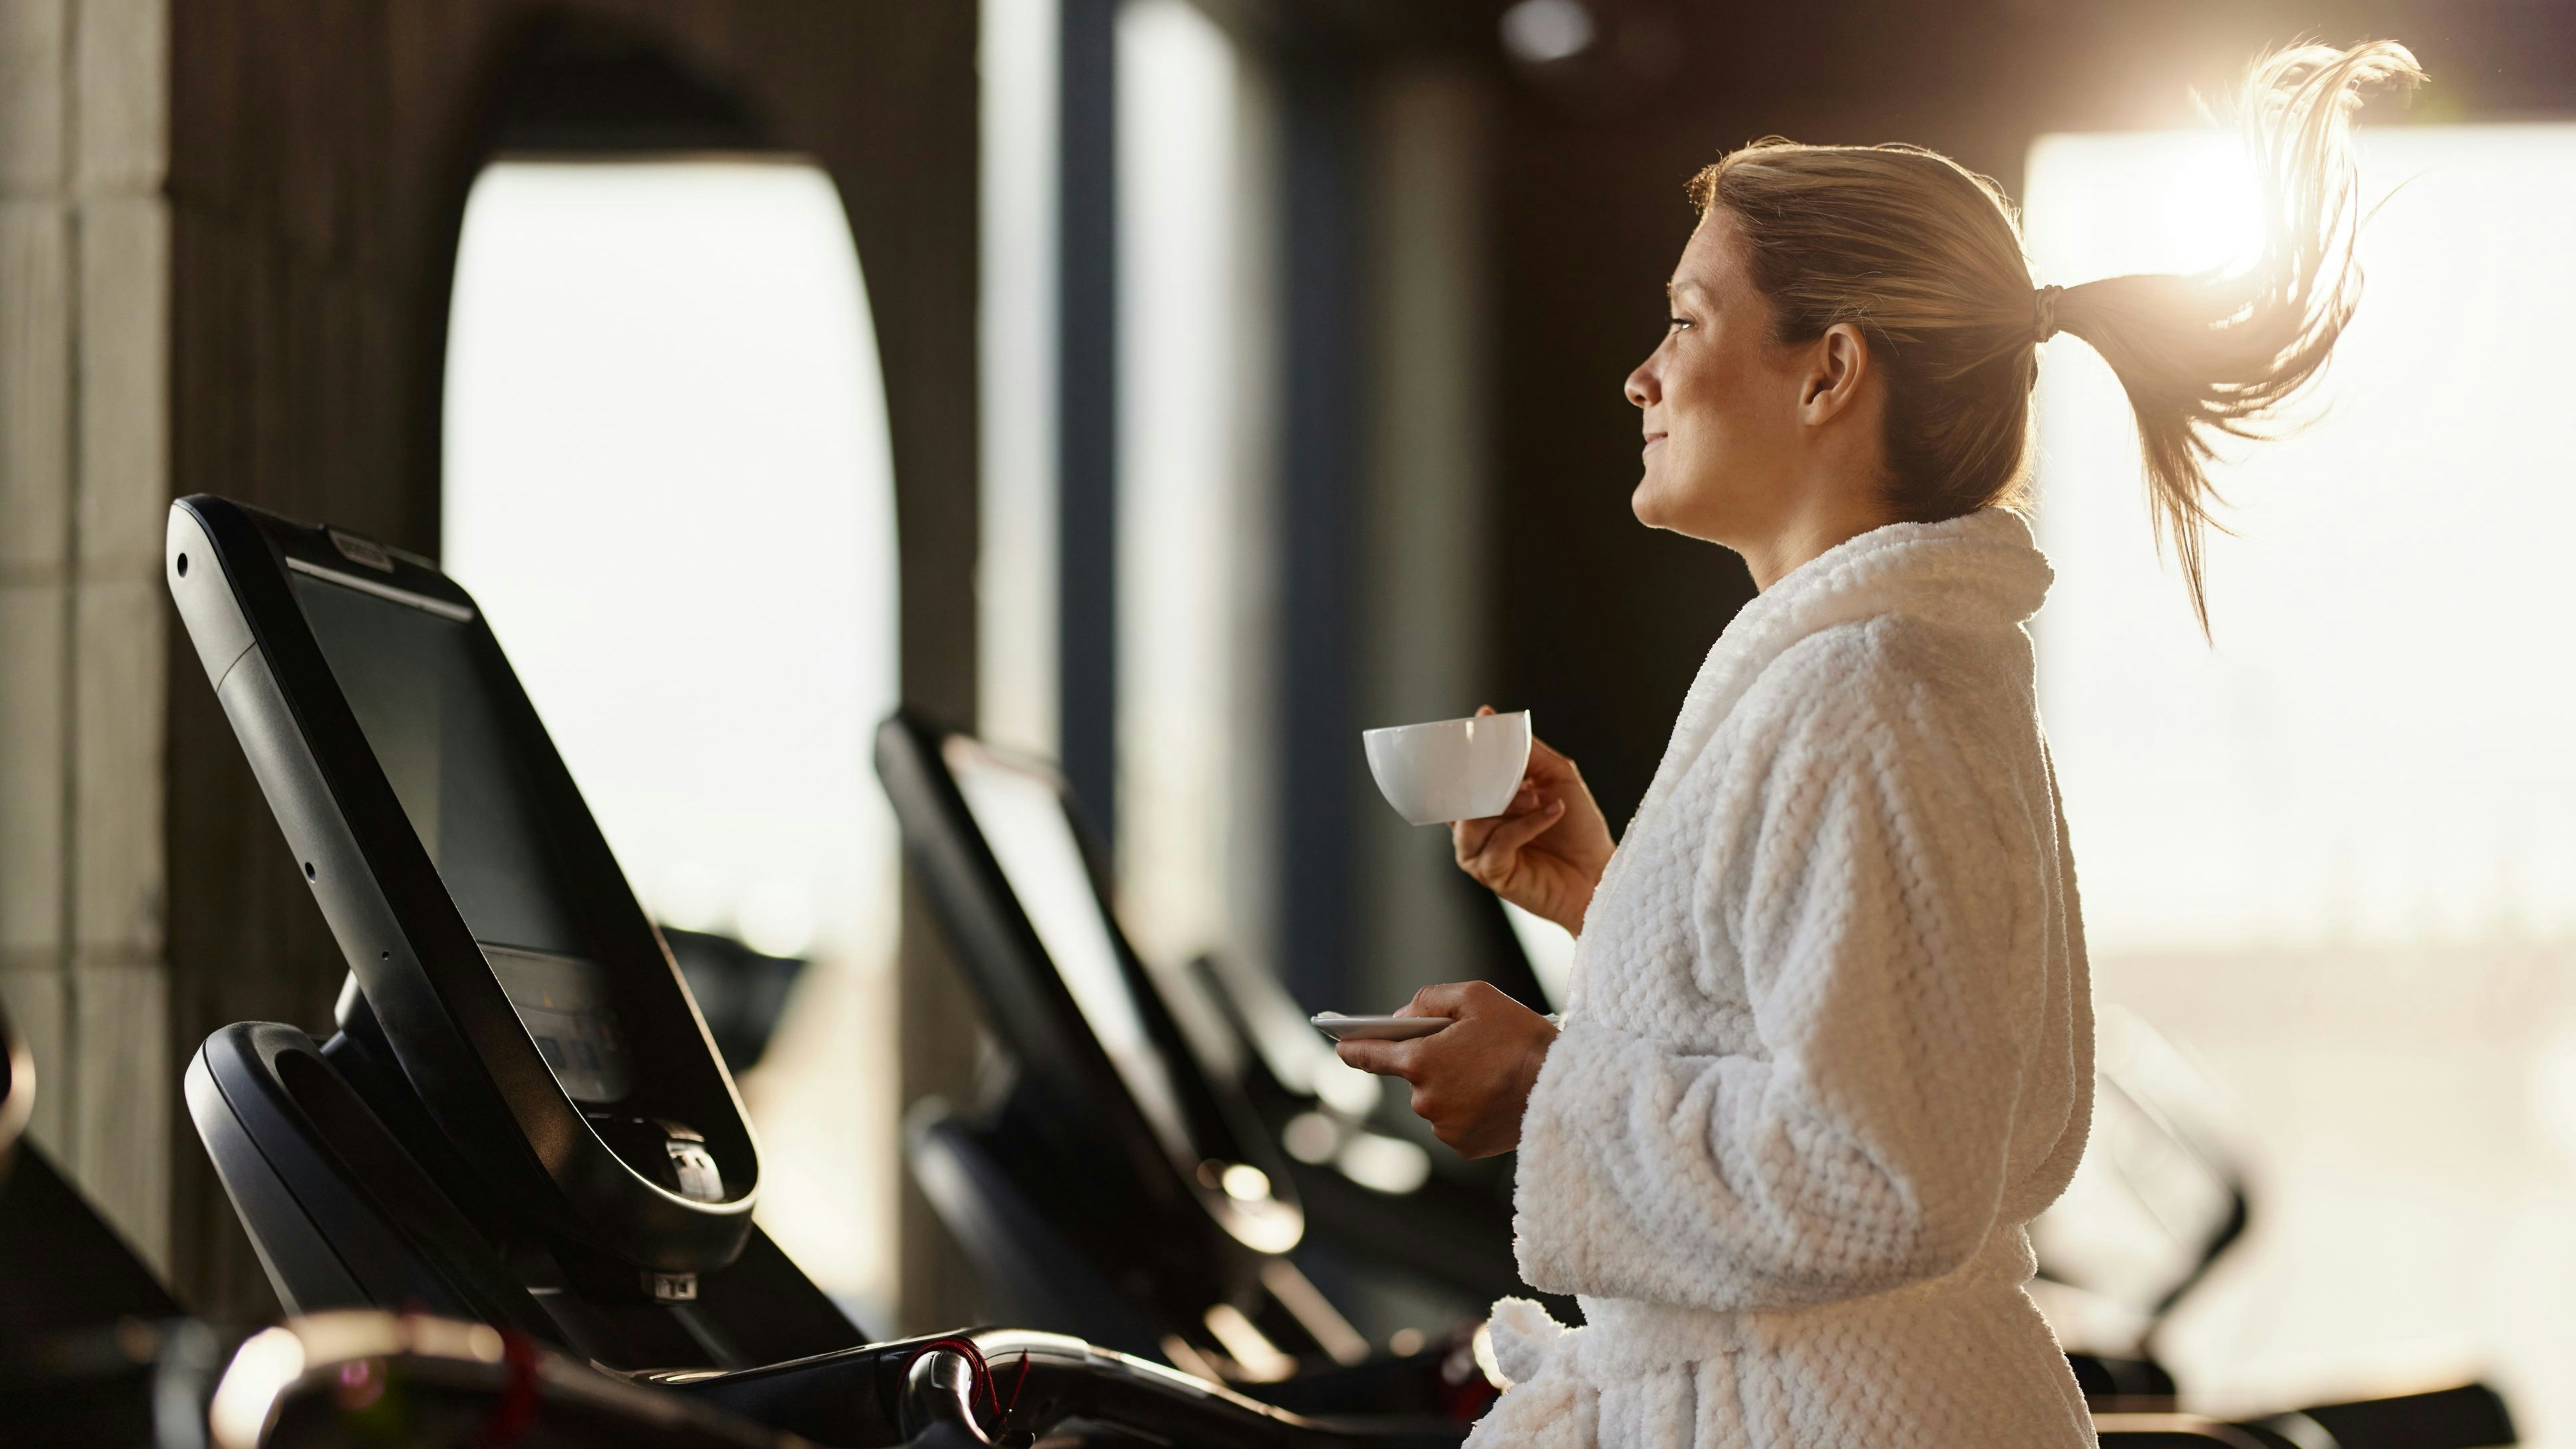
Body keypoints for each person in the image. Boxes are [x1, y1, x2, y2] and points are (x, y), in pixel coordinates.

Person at [1333, 39, 2421, 1448]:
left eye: (1685, 322)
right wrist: (1611, 896)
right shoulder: (1882, 672)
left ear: (1829, 372)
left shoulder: (1867, 692)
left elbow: (1876, 1169)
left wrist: (1548, 1086)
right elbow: (1857, 1048)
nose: (1639, 378)